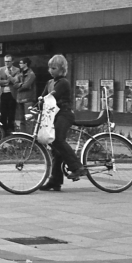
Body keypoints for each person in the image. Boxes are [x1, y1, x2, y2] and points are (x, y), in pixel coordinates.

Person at [39, 54, 87, 191]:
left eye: (53, 68)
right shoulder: (50, 82)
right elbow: (43, 97)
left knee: (58, 140)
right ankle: (55, 180)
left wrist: (42, 100)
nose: (50, 71)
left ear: (61, 69)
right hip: (55, 115)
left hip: (65, 114)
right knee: (55, 149)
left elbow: (51, 97)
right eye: (49, 68)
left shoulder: (63, 83)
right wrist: (35, 106)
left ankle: (77, 167)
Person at [0, 53, 18, 133]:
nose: (7, 63)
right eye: (5, 61)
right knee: (2, 114)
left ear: (12, 61)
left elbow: (15, 81)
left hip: (12, 94)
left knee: (11, 115)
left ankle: (11, 132)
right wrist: (8, 81)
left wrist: (8, 75)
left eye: (8, 61)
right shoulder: (1, 69)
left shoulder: (17, 70)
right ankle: (2, 132)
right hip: (3, 94)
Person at [16, 57, 37, 133]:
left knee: (29, 120)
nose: (19, 64)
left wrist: (19, 86)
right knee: (22, 120)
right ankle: (23, 138)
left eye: (21, 63)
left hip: (28, 100)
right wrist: (20, 85)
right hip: (20, 99)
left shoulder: (31, 74)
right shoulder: (20, 74)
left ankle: (29, 138)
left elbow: (26, 85)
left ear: (26, 64)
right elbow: (15, 84)